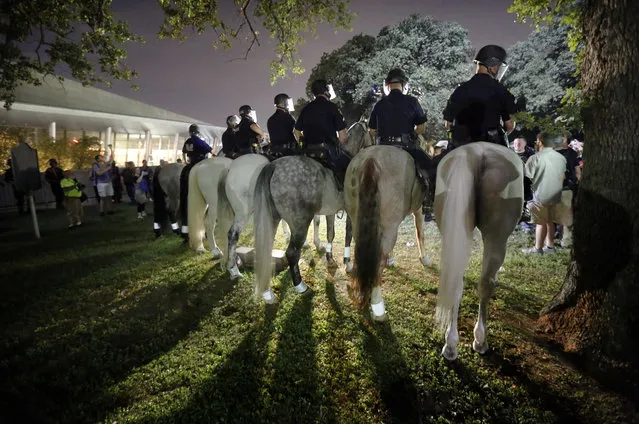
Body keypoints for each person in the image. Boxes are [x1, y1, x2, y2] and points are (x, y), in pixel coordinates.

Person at [368, 68, 433, 213]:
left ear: (387, 84)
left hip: (382, 147)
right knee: (431, 168)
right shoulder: (412, 101)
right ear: (404, 84)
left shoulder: (379, 104)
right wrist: (413, 132)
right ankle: (429, 203)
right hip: (406, 146)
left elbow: (371, 130)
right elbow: (421, 128)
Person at [443, 45, 517, 149]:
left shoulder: (460, 90)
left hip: (462, 143)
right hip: (492, 142)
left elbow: (448, 124)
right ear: (493, 66)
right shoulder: (502, 91)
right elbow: (509, 125)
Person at [294, 79, 350, 189]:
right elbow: (343, 137)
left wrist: (303, 143)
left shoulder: (305, 109)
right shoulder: (332, 107)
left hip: (309, 151)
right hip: (329, 151)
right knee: (350, 166)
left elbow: (296, 131)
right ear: (326, 91)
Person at [521, 132, 572, 254]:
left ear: (540, 142)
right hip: (556, 193)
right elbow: (563, 176)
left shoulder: (536, 157)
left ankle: (537, 249)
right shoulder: (560, 157)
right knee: (549, 220)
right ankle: (550, 246)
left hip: (541, 194)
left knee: (540, 222)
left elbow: (527, 176)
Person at [179, 123, 213, 239]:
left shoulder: (188, 141)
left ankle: (185, 231)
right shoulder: (198, 140)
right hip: (200, 163)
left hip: (190, 164)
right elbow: (209, 149)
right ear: (198, 132)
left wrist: (186, 162)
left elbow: (183, 153)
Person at [267, 93, 298, 159]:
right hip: (289, 152)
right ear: (284, 103)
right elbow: (296, 132)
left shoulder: (270, 119)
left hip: (274, 152)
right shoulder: (288, 117)